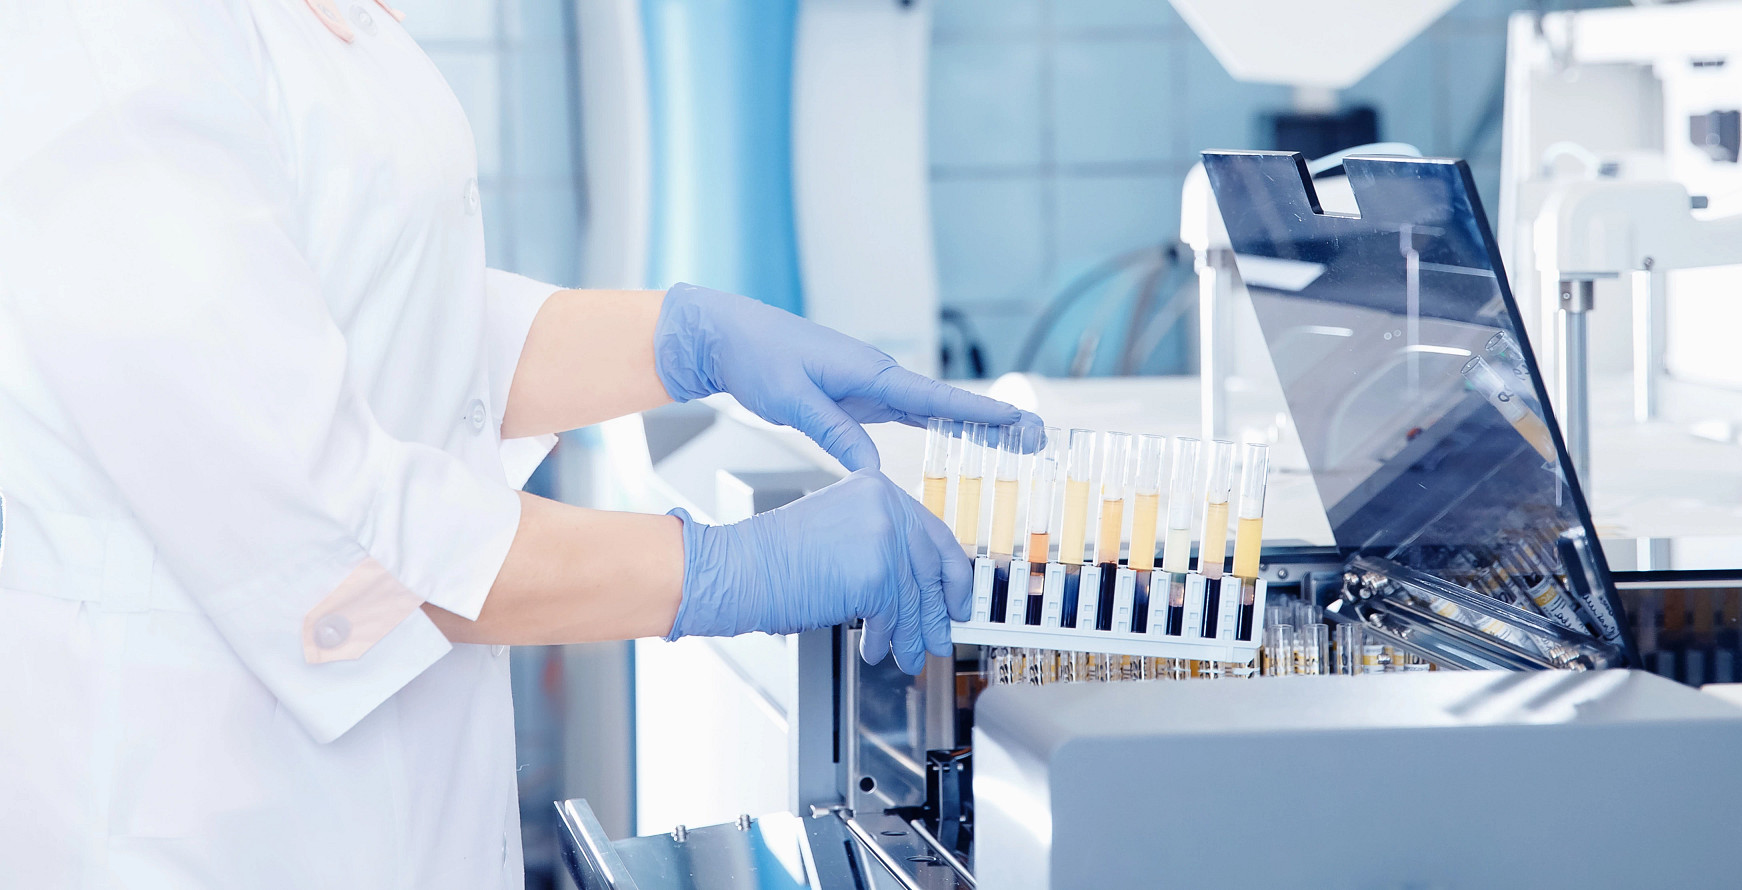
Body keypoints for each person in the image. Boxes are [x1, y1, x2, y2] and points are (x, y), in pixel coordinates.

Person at [0, 2, 1021, 886]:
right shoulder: (114, 32)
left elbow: (387, 311)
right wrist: (722, 569)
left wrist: (681, 337)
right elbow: (328, 525)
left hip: (380, 810)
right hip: (208, 829)